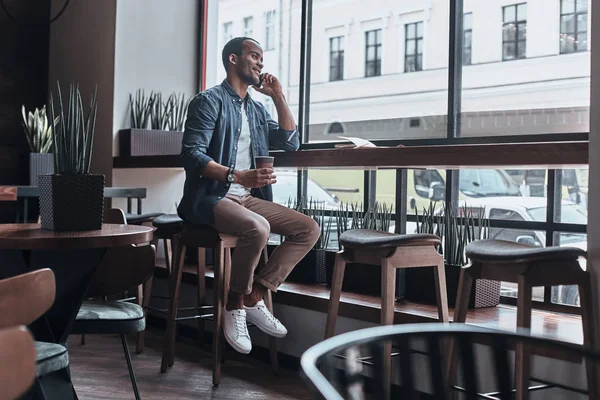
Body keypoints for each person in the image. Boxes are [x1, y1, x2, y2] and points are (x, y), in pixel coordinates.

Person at [177, 37, 320, 354]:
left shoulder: (255, 110)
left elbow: (289, 141)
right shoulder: (209, 101)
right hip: (211, 197)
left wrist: (278, 95)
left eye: (262, 59)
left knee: (308, 228)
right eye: (254, 56)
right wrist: (236, 175)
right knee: (258, 228)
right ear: (232, 59)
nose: (260, 63)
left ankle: (254, 296)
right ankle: (232, 304)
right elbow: (191, 156)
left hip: (248, 198)